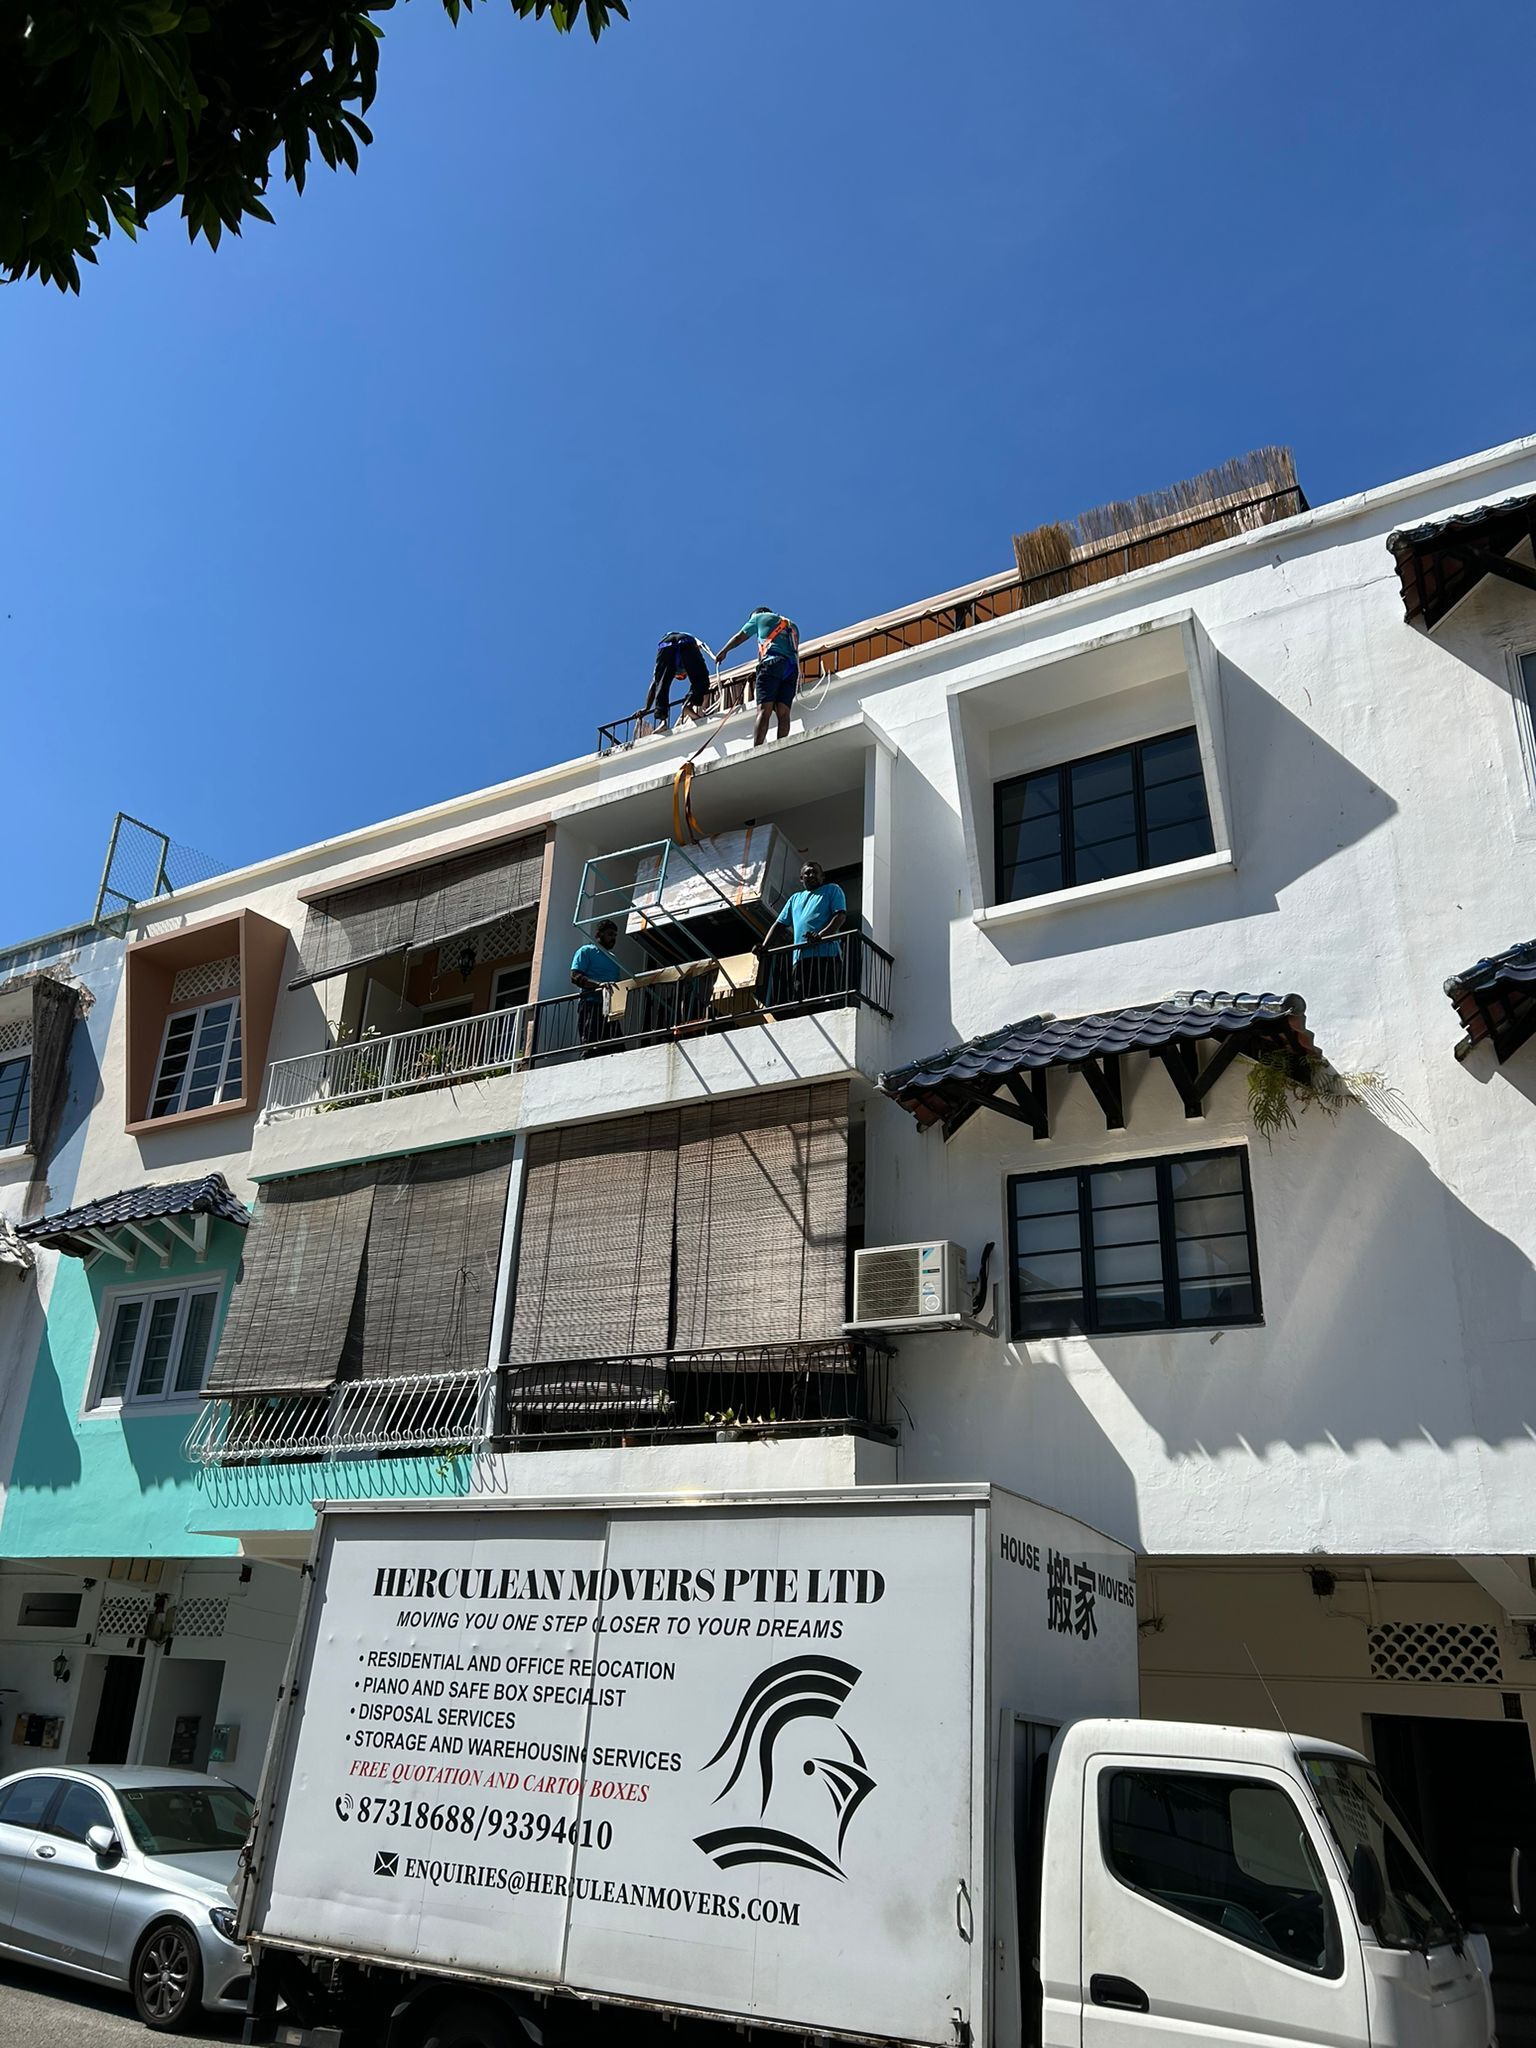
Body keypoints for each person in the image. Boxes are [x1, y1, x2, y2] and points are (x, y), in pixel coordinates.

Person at [759, 861, 847, 1005]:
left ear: (822, 876)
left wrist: (820, 936)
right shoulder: (795, 898)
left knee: (825, 999)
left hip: (826, 954)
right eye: (807, 873)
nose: (811, 875)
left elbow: (840, 916)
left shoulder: (832, 890)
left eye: (815, 872)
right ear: (801, 878)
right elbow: (779, 925)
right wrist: (764, 946)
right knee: (802, 1000)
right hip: (800, 959)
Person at [716, 606, 800, 747]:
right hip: (791, 669)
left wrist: (724, 651)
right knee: (784, 712)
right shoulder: (793, 626)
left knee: (763, 710)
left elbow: (739, 637)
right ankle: (782, 746)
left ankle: (757, 748)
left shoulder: (758, 617)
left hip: (771, 664)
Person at [640, 631, 714, 734]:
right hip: (686, 640)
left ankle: (663, 722)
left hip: (665, 643)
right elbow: (702, 683)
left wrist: (647, 708)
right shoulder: (686, 665)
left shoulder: (673, 667)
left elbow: (655, 684)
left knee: (661, 683)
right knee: (701, 678)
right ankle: (688, 705)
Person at [570, 921, 626, 1051]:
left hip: (610, 1009)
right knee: (591, 1047)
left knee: (617, 1048)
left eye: (615, 935)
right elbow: (575, 977)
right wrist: (599, 985)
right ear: (598, 934)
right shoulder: (586, 951)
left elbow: (617, 983)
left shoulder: (614, 959)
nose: (613, 938)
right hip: (591, 1006)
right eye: (610, 934)